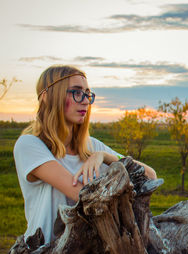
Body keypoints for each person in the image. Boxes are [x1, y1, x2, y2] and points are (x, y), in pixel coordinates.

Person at [14, 65, 156, 244]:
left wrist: (105, 156)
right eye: (76, 92)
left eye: (88, 94)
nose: (85, 101)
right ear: (47, 97)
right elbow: (81, 194)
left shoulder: (92, 146)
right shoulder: (30, 145)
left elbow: (149, 176)